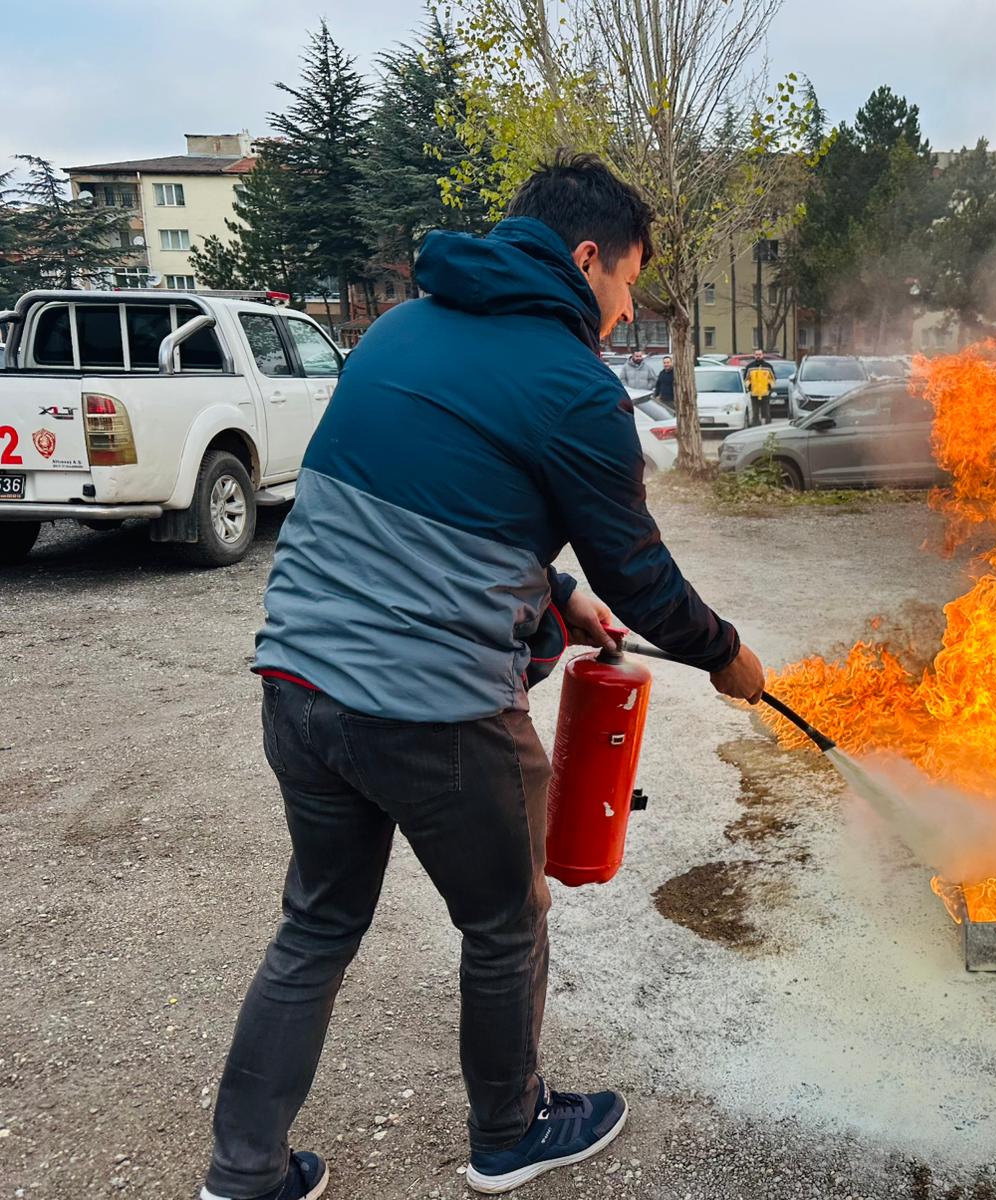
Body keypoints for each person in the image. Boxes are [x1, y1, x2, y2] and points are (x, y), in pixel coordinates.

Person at [199, 151, 765, 1200]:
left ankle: (242, 1173)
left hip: (297, 683)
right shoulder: (572, 388)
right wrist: (727, 654)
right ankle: (511, 1133)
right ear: (586, 258)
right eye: (631, 278)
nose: (630, 304)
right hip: (432, 714)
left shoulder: (400, 331)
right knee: (505, 921)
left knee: (317, 924)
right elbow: (641, 576)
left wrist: (555, 591)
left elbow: (423, 507)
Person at [744, 349, 775, 427]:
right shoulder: (749, 367)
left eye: (760, 354)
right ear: (754, 355)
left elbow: (773, 379)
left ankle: (768, 427)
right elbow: (746, 379)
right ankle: (755, 427)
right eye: (756, 354)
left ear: (762, 355)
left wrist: (770, 388)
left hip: (765, 393)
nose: (758, 356)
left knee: (766, 412)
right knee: (755, 412)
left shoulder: (768, 366)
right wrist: (749, 387)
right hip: (754, 393)